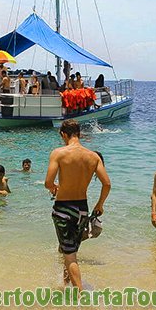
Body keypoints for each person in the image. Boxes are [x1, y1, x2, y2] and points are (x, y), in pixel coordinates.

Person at [45, 119, 111, 290]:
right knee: (71, 251)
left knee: (69, 255)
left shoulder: (58, 153)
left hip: (64, 208)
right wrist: (100, 205)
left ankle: (80, 295)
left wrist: (55, 189)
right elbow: (107, 184)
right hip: (82, 209)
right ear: (79, 134)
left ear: (63, 134)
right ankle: (65, 284)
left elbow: (48, 182)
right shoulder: (93, 156)